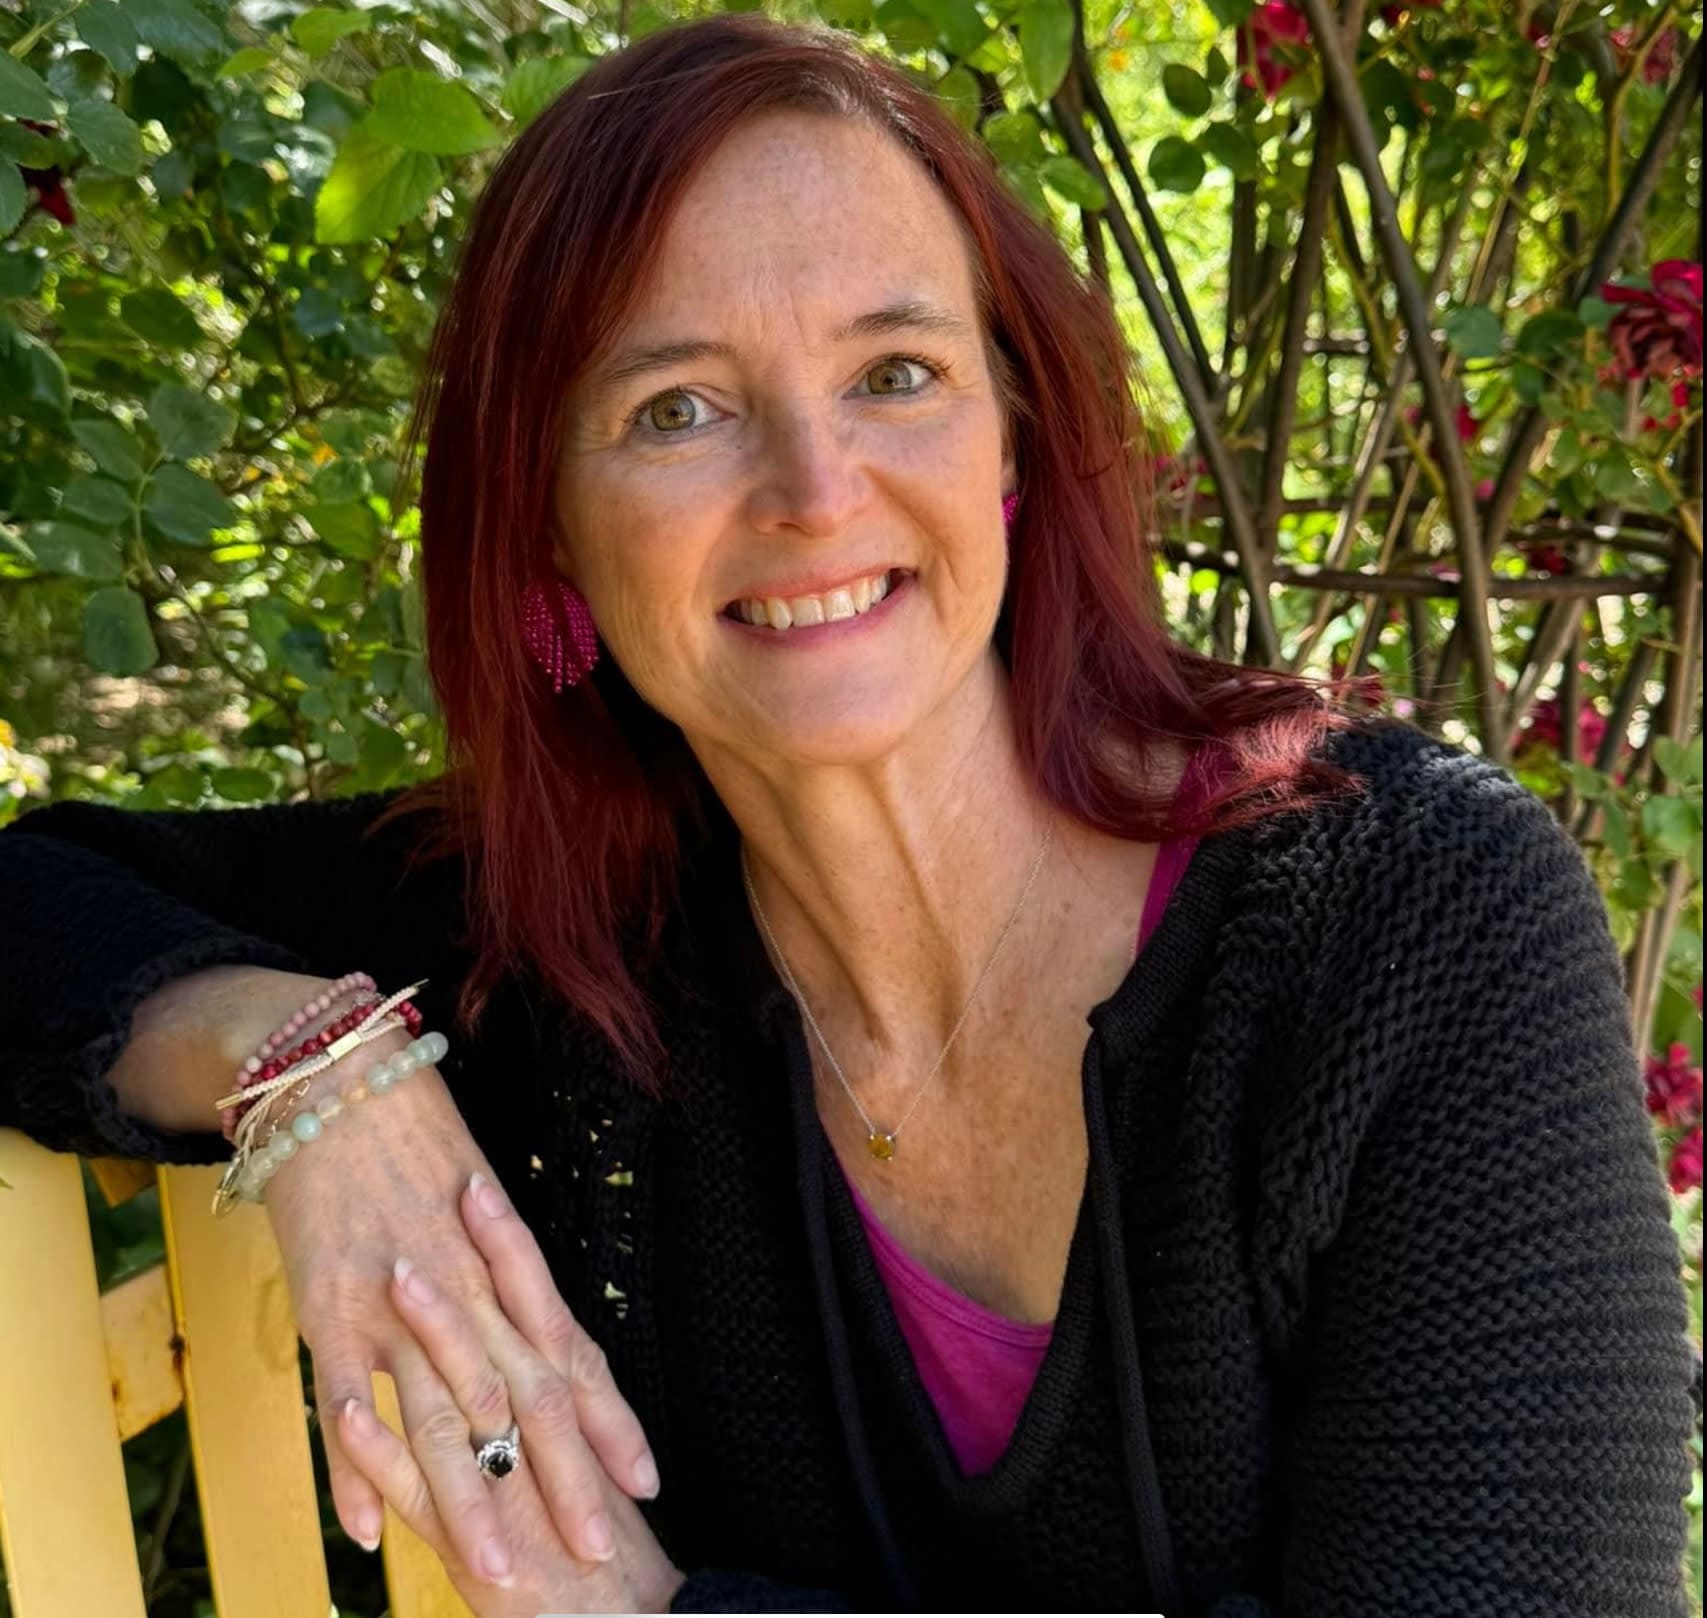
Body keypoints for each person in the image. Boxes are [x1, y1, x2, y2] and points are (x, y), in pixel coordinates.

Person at [0, 13, 1696, 1616]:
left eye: (895, 372)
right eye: (678, 409)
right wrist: (319, 1071)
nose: (816, 493)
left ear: (1012, 445)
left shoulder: (1410, 926)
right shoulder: (571, 943)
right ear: (546, 539)